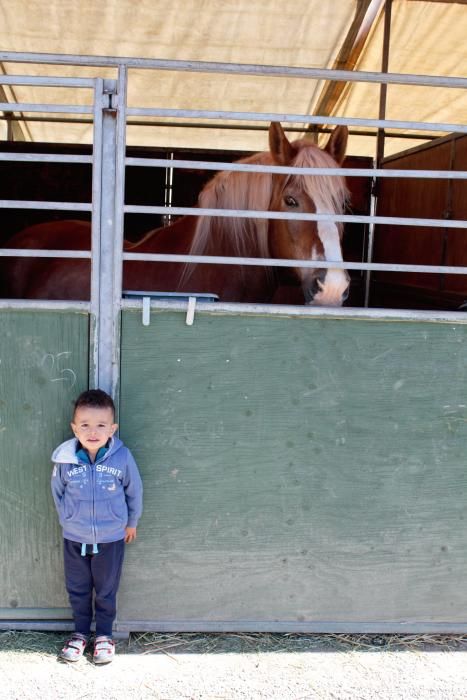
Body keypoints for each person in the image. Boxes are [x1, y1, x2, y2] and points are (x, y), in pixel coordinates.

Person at [51, 389, 143, 664]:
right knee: (77, 588)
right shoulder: (65, 460)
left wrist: (131, 523)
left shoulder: (122, 457)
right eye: (85, 425)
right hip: (74, 537)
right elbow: (57, 492)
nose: (93, 432)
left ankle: (103, 636)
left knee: (105, 589)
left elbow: (134, 491)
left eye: (101, 425)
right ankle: (80, 634)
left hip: (111, 537)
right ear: (74, 428)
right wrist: (67, 521)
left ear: (112, 428)